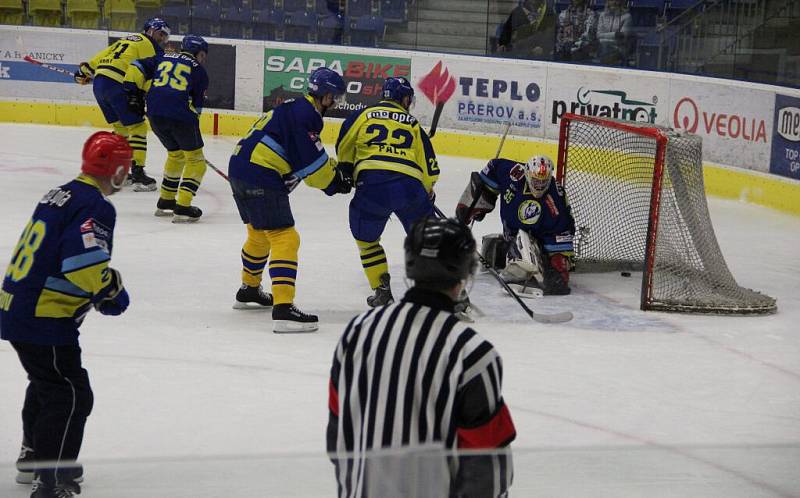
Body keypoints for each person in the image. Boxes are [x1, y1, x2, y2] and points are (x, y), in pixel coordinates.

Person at [327, 217, 515, 498]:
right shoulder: (472, 354)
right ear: (464, 275)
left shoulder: (356, 333)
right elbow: (487, 471)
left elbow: (338, 434)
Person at [1, 132, 132, 498]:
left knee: (46, 384)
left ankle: (35, 458)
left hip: (17, 307)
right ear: (118, 170)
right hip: (46, 316)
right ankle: (52, 479)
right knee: (70, 395)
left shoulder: (59, 193)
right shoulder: (95, 205)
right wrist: (111, 291)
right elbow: (83, 263)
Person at [228, 67, 352, 333]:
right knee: (286, 237)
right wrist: (336, 182)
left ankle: (249, 289)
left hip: (240, 167)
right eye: (336, 98)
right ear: (327, 96)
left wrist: (329, 172)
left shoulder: (293, 107)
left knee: (259, 233)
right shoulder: (308, 115)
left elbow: (301, 156)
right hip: (261, 173)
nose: (336, 103)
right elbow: (313, 167)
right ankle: (283, 309)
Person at [335, 76, 439, 307]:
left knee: (367, 241)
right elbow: (429, 165)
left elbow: (344, 144)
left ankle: (382, 292)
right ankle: (451, 294)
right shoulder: (412, 124)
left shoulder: (363, 115)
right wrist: (428, 190)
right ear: (404, 98)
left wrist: (348, 171)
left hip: (372, 186)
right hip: (410, 187)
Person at [73, 17, 171, 192]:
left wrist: (83, 73)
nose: (162, 39)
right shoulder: (152, 48)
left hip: (100, 85)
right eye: (160, 34)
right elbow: (150, 73)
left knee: (121, 129)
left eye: (165, 36)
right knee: (138, 128)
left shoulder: (127, 39)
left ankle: (120, 171)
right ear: (150, 30)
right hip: (119, 85)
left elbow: (96, 61)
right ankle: (138, 175)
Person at [456, 155, 575, 295]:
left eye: (543, 182)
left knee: (552, 278)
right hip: (512, 235)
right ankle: (513, 257)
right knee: (499, 248)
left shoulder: (554, 201)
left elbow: (562, 232)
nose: (539, 186)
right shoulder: (513, 173)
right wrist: (482, 196)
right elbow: (494, 166)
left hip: (539, 242)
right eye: (536, 181)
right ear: (527, 174)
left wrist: (557, 264)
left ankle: (527, 266)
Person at [123, 34, 210, 223]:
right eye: (204, 54)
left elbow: (136, 66)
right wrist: (192, 142)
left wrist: (132, 91)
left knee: (176, 155)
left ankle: (166, 201)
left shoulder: (163, 56)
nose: (204, 59)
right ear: (199, 53)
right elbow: (196, 109)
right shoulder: (200, 72)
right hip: (180, 116)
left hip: (154, 114)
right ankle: (183, 207)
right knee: (196, 162)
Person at [595, 0, 634, 65]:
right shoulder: (602, 15)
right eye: (611, 0)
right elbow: (598, 35)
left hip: (619, 49)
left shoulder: (627, 17)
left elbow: (622, 38)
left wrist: (603, 38)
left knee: (604, 51)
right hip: (603, 47)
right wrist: (614, 34)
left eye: (617, 0)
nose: (614, 2)